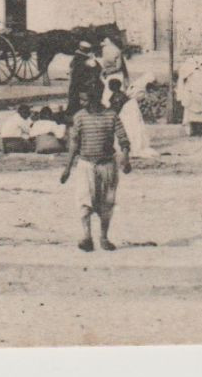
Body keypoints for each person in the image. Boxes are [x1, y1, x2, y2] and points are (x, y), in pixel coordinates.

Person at [59, 86, 132, 252]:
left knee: (107, 202)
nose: (81, 102)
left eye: (84, 99)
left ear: (94, 99)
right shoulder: (79, 117)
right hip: (86, 165)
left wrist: (125, 158)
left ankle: (104, 237)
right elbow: (74, 144)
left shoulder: (111, 116)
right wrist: (67, 168)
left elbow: (123, 140)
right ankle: (87, 237)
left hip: (107, 165)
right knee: (84, 201)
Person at [110, 78, 156, 157]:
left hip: (128, 111)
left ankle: (129, 146)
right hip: (128, 110)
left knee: (128, 128)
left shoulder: (119, 96)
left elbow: (116, 109)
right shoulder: (116, 94)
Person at [177, 42, 202, 129]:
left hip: (201, 90)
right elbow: (183, 75)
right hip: (192, 91)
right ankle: (193, 125)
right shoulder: (188, 64)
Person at [65, 41, 104, 114]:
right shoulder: (89, 60)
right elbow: (98, 70)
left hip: (75, 83)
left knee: (74, 100)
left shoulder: (75, 59)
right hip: (85, 85)